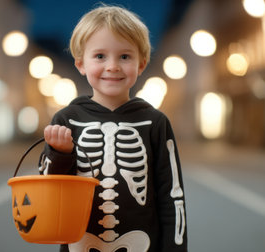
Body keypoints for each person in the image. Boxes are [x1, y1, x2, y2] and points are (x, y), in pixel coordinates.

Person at [40, 4, 188, 252]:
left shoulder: (155, 123)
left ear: (141, 65)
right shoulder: (66, 120)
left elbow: (172, 197)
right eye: (100, 56)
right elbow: (50, 195)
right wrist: (60, 154)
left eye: (125, 56)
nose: (112, 66)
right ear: (80, 64)